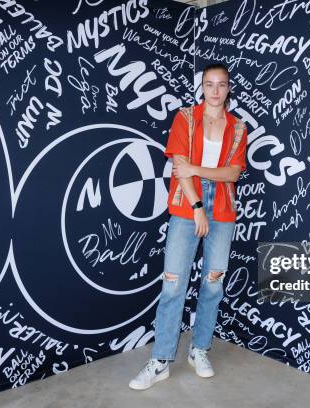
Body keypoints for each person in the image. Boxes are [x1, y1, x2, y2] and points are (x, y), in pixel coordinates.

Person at [129, 63, 248, 390]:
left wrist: (197, 168)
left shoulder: (238, 128)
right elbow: (181, 169)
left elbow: (232, 175)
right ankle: (162, 360)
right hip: (186, 204)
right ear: (202, 87)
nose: (214, 90)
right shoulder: (185, 118)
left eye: (221, 84)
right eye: (209, 84)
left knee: (213, 283)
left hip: (223, 209)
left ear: (228, 89)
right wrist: (197, 208)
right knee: (173, 284)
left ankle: (199, 349)